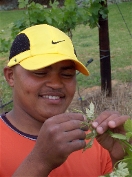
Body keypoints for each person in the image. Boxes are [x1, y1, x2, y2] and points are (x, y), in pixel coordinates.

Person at [0, 24, 129, 177]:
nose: (55, 83)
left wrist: (123, 160)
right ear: (10, 76)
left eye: (67, 74)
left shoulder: (94, 141)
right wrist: (40, 162)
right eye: (40, 72)